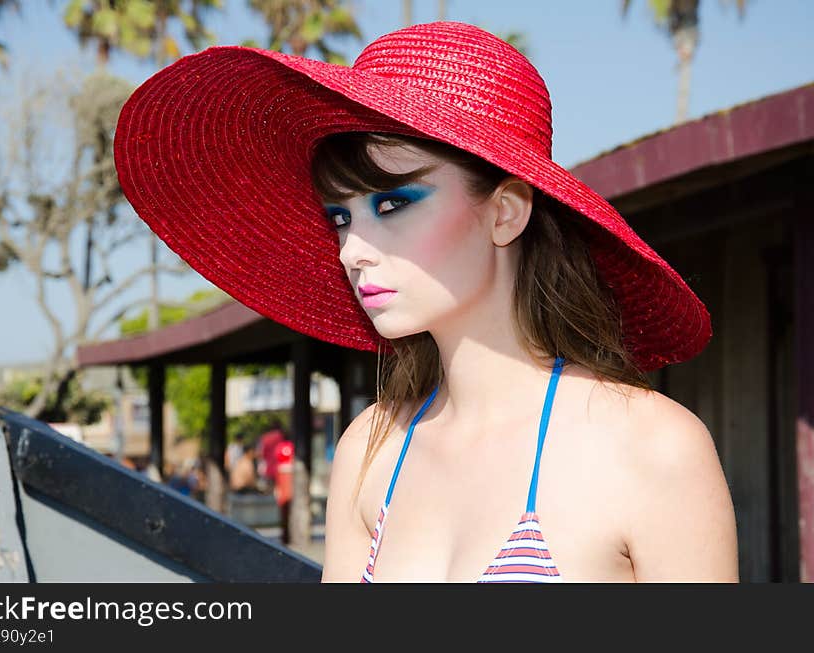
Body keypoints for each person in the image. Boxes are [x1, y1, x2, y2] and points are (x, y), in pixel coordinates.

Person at [113, 21, 738, 582]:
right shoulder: (371, 447)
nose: (352, 250)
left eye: (392, 205)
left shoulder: (651, 447)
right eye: (340, 217)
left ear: (505, 212)